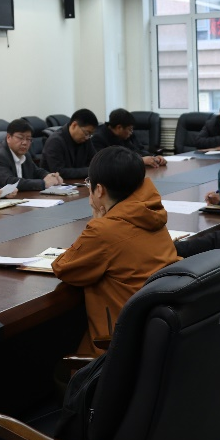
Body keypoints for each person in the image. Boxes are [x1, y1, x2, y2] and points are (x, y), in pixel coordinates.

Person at [51, 147, 180, 356]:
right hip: (157, 342)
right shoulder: (150, 213)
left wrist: (97, 221)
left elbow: (64, 268)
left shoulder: (104, 230)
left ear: (99, 190)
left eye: (89, 184)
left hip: (118, 352)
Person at [0, 118, 63, 191]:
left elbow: (36, 171)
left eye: (28, 139)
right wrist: (43, 183)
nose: (25, 143)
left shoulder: (24, 154)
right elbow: (10, 182)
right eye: (20, 138)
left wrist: (50, 176)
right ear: (8, 137)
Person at [91, 108, 167, 168]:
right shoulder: (98, 138)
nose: (131, 132)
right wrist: (140, 161)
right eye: (130, 129)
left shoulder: (127, 134)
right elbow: (109, 162)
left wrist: (154, 157)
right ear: (119, 127)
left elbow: (139, 150)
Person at [41, 108, 99, 180]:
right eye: (86, 133)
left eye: (90, 135)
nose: (87, 137)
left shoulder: (86, 140)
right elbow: (59, 172)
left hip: (78, 182)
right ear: (74, 125)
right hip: (56, 184)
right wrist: (90, 171)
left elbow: (95, 162)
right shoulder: (55, 141)